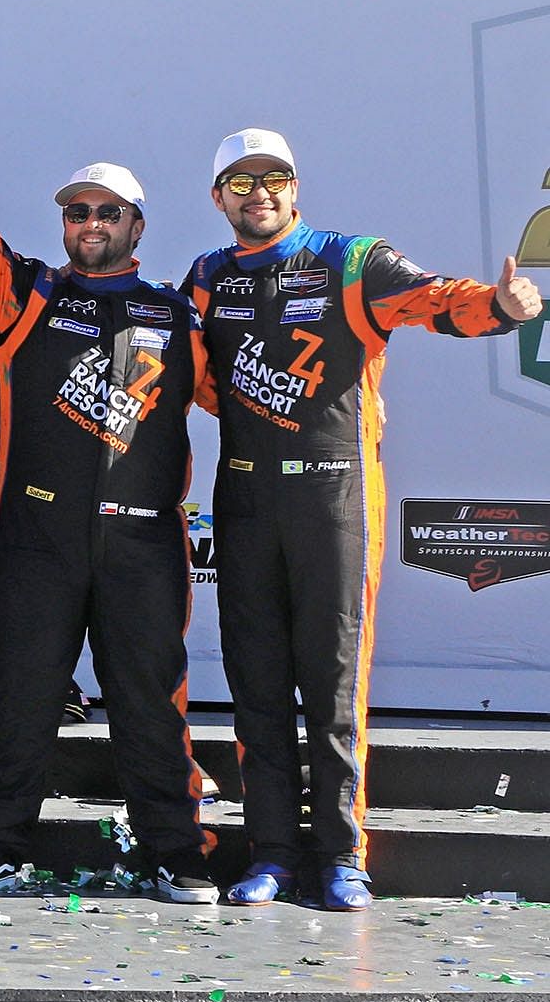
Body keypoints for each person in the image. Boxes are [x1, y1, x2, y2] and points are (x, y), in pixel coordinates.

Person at [187, 127, 540, 910]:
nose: (260, 195)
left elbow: (436, 301)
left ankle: (343, 855)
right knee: (257, 686)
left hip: (334, 496)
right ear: (219, 199)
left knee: (333, 683)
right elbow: (193, 379)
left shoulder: (351, 259)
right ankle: (272, 855)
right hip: (244, 497)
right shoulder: (209, 277)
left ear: (295, 185)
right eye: (241, 185)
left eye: (273, 178)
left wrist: (499, 308)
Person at [0, 147, 214, 904]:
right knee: (21, 699)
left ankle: (177, 853)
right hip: (37, 538)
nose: (90, 223)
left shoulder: (179, 314)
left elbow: (251, 396)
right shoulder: (25, 297)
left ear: (136, 224)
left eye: (106, 212)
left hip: (144, 542)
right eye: (76, 212)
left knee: (153, 702)